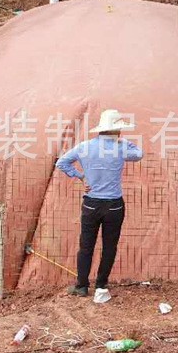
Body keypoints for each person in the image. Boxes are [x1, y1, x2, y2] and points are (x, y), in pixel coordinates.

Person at [55, 109, 143, 300]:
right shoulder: (121, 147)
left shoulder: (84, 147)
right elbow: (139, 154)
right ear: (117, 130)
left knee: (86, 246)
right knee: (109, 246)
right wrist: (124, 142)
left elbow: (62, 163)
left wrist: (80, 176)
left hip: (91, 203)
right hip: (114, 205)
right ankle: (101, 285)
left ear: (101, 130)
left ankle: (81, 286)